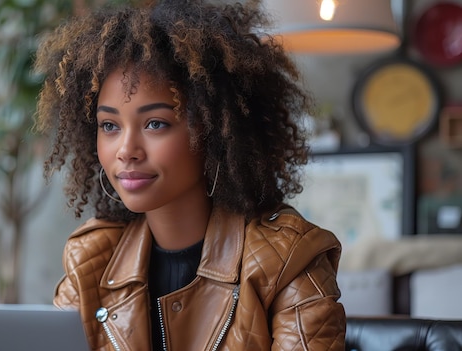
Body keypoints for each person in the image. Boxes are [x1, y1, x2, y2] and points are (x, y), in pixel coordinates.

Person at [34, 0, 346, 349]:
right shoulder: (91, 259)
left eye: (155, 124)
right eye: (109, 125)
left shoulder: (287, 260)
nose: (125, 150)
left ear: (214, 133)